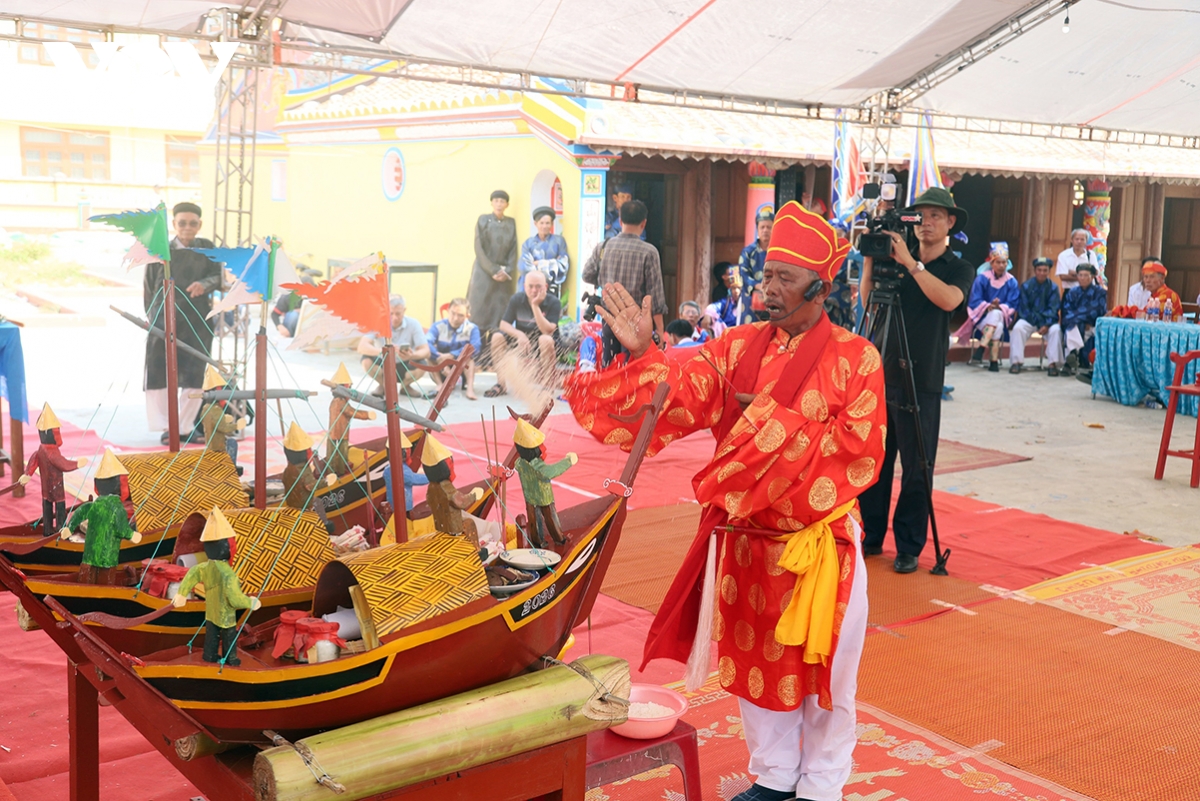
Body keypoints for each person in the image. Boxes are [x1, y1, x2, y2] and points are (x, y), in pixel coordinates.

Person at [565, 200, 885, 801]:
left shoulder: (856, 359)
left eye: (784, 279)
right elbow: (680, 392)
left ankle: (821, 786)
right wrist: (644, 355)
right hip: (746, 543)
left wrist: (760, 421)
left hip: (820, 550)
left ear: (821, 288)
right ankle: (775, 776)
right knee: (755, 665)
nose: (769, 288)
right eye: (767, 274)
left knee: (827, 673)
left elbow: (856, 453)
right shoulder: (739, 346)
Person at [858, 187, 975, 574]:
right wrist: (871, 259)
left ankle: (909, 545)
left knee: (916, 465)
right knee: (875, 460)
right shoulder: (898, 257)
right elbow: (868, 302)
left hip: (922, 376)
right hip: (882, 370)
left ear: (950, 223)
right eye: (920, 216)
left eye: (935, 216)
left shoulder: (958, 267)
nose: (926, 223)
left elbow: (950, 300)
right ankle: (870, 535)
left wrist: (912, 265)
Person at [145, 202, 222, 445]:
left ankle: (185, 427)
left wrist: (205, 284)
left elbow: (219, 276)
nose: (187, 227)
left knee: (194, 374)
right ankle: (167, 427)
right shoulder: (160, 250)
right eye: (182, 223)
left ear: (200, 225)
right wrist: (152, 318)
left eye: (192, 223)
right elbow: (149, 287)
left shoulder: (207, 247)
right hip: (164, 320)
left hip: (197, 319)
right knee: (159, 372)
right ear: (174, 224)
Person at [172, 507, 262, 666]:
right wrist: (251, 602)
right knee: (229, 636)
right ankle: (230, 659)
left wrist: (181, 594)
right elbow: (235, 599)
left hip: (211, 612)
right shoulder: (228, 574)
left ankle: (209, 655)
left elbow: (192, 574)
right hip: (226, 616)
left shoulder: (205, 567)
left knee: (211, 636)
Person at [583, 199, 667, 364]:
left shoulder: (603, 247)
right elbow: (655, 297)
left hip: (609, 320)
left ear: (620, 221)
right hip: (636, 325)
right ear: (643, 223)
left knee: (610, 366)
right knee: (633, 369)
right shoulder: (649, 252)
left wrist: (605, 281)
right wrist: (660, 330)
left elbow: (587, 275)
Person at [60, 450, 141, 585]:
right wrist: (132, 535)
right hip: (108, 554)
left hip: (90, 553)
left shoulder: (94, 505)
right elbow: (121, 529)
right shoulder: (118, 508)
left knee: (87, 574)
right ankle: (103, 593)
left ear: (96, 486)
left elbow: (80, 512)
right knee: (106, 580)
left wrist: (70, 527)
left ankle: (84, 589)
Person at [487, 269, 561, 397]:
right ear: (524, 286)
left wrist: (535, 306)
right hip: (522, 342)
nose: (534, 290)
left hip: (544, 345)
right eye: (530, 286)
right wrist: (519, 335)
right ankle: (501, 384)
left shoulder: (553, 302)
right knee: (497, 337)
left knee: (545, 340)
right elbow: (503, 324)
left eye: (538, 286)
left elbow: (548, 330)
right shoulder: (517, 299)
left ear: (545, 287)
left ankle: (547, 387)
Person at [19, 404, 87, 535]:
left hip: (46, 486)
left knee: (47, 506)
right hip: (56, 485)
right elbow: (62, 464)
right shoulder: (51, 451)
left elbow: (34, 459)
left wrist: (28, 474)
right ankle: (61, 530)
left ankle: (48, 529)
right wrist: (77, 464)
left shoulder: (41, 448)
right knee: (60, 507)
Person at [512, 418, 577, 548]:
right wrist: (568, 461)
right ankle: (559, 539)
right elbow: (551, 471)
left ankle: (538, 541)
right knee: (551, 519)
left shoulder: (519, 463)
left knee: (534, 520)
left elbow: (517, 465)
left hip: (530, 498)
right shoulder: (538, 467)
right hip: (544, 497)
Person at [466, 190, 518, 344]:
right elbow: (479, 247)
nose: (499, 204)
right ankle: (477, 351)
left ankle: (494, 352)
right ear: (491, 203)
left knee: (499, 314)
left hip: (503, 277)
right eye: (496, 201)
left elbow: (513, 249)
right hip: (483, 273)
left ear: (507, 204)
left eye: (502, 201)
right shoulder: (483, 220)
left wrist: (507, 270)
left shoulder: (511, 223)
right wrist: (493, 270)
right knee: (479, 313)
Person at [958, 243, 1019, 372]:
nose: (1001, 265)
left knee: (997, 315)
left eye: (1004, 262)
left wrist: (999, 307)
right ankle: (993, 362)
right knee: (998, 325)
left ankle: (982, 348)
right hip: (982, 317)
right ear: (992, 263)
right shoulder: (982, 279)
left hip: (1001, 316)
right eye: (998, 262)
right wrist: (988, 306)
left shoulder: (1011, 281)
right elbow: (974, 299)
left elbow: (1013, 302)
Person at [359, 295, 432, 400]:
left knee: (422, 364)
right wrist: (383, 351)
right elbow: (362, 347)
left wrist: (411, 355)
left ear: (404, 310)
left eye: (398, 313)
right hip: (383, 363)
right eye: (391, 313)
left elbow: (426, 351)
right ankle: (383, 385)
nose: (394, 318)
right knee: (366, 360)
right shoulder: (377, 322)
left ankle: (405, 386)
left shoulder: (414, 323)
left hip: (405, 363)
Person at [1008, 257, 1063, 375]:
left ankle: (1052, 364)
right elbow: (1024, 309)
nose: (1042, 273)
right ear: (1035, 271)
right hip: (1029, 319)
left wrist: (1046, 324)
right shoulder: (1026, 286)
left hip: (1047, 321)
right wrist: (1038, 322)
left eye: (1045, 270)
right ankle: (1016, 362)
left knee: (1056, 330)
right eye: (1039, 270)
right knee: (1018, 328)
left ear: (1049, 271)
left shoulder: (1053, 288)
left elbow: (1054, 308)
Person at [326, 363, 378, 476]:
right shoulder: (340, 402)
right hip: (339, 433)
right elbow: (351, 412)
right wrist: (367, 415)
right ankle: (338, 472)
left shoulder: (337, 401)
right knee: (340, 453)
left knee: (336, 452)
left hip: (338, 432)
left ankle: (335, 470)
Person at [427, 297, 482, 400]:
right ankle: (439, 384)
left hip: (461, 373)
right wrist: (441, 360)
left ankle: (470, 389)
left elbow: (476, 347)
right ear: (448, 311)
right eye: (453, 313)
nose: (455, 318)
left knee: (469, 359)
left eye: (460, 315)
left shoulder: (472, 328)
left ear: (467, 316)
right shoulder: (438, 326)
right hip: (441, 369)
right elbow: (426, 343)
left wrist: (452, 355)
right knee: (429, 355)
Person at [1060, 264, 1108, 375]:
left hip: (1093, 325)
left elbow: (1096, 310)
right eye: (1080, 275)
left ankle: (1071, 357)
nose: (1082, 278)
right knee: (1074, 326)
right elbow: (1067, 310)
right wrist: (1079, 320)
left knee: (1073, 326)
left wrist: (1080, 319)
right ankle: (1073, 354)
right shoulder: (1072, 292)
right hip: (1077, 324)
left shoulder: (1100, 292)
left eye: (1086, 275)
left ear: (1092, 277)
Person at [519, 206, 570, 295]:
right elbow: (524, 266)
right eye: (541, 223)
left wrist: (539, 263)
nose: (544, 226)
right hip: (530, 289)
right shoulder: (528, 243)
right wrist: (552, 263)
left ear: (552, 224)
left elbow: (563, 264)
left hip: (551, 289)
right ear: (535, 224)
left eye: (547, 223)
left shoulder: (559, 241)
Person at [738, 208, 774, 325]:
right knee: (751, 331)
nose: (765, 230)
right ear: (757, 230)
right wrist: (758, 286)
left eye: (769, 227)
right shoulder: (748, 251)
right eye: (762, 227)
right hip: (751, 299)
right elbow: (743, 274)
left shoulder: (778, 252)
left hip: (773, 296)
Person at [382, 431, 428, 518]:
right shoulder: (401, 470)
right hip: (403, 507)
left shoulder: (388, 469)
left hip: (394, 504)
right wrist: (431, 477)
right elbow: (413, 479)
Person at [270, 265, 322, 337]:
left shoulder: (318, 295)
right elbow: (274, 314)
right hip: (292, 325)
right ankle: (292, 334)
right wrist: (280, 327)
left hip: (310, 324)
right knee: (293, 315)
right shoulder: (288, 296)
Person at [1054, 228, 1099, 295]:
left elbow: (1095, 272)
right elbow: (1063, 276)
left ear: (1086, 241)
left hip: (1088, 292)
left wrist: (1074, 273)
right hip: (1070, 292)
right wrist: (1086, 276)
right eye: (1077, 239)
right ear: (1071, 240)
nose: (1079, 242)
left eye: (1082, 239)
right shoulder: (1063, 255)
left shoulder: (1091, 255)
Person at [705, 264, 746, 338]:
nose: (736, 291)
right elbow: (713, 307)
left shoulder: (748, 303)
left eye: (739, 288)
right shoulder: (727, 302)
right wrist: (708, 315)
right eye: (733, 288)